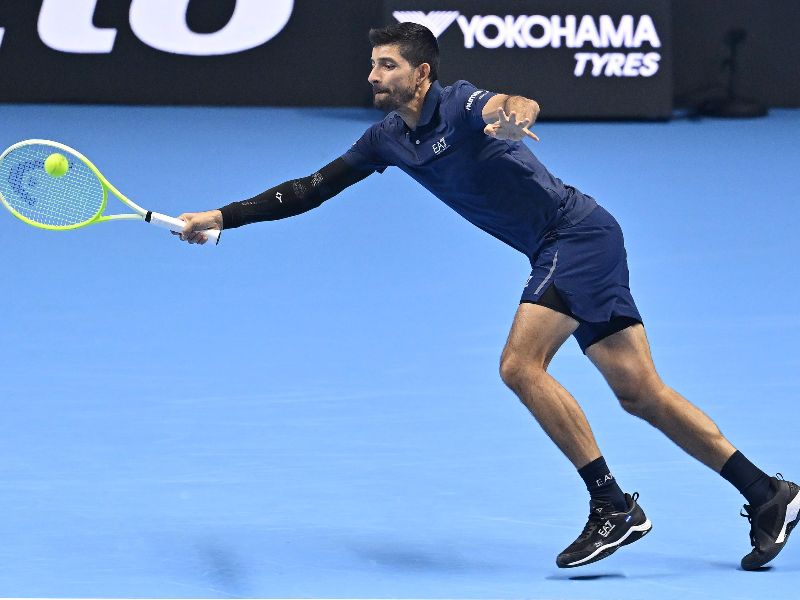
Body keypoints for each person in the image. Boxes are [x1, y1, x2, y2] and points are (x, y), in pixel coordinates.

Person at [175, 22, 798, 570]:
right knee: (641, 394)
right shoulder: (387, 138)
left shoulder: (462, 102)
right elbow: (310, 189)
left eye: (386, 65)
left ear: (422, 74)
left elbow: (509, 103)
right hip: (578, 241)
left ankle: (612, 506)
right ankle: (767, 493)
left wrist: (516, 115)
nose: (373, 75)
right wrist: (223, 216)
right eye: (372, 65)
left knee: (519, 366)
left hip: (574, 236)